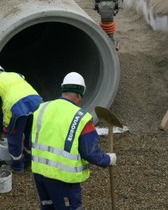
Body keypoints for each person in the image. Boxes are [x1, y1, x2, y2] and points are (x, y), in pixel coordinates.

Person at [31, 72, 117, 209]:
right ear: (79, 94)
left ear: (63, 89)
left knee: (48, 206)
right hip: (63, 179)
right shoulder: (81, 118)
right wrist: (107, 159)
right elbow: (89, 152)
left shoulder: (43, 108)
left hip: (40, 173)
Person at [0, 63, 43, 173]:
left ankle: (17, 167)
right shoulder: (16, 75)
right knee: (31, 134)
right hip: (37, 104)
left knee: (14, 139)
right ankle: (28, 162)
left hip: (17, 110)